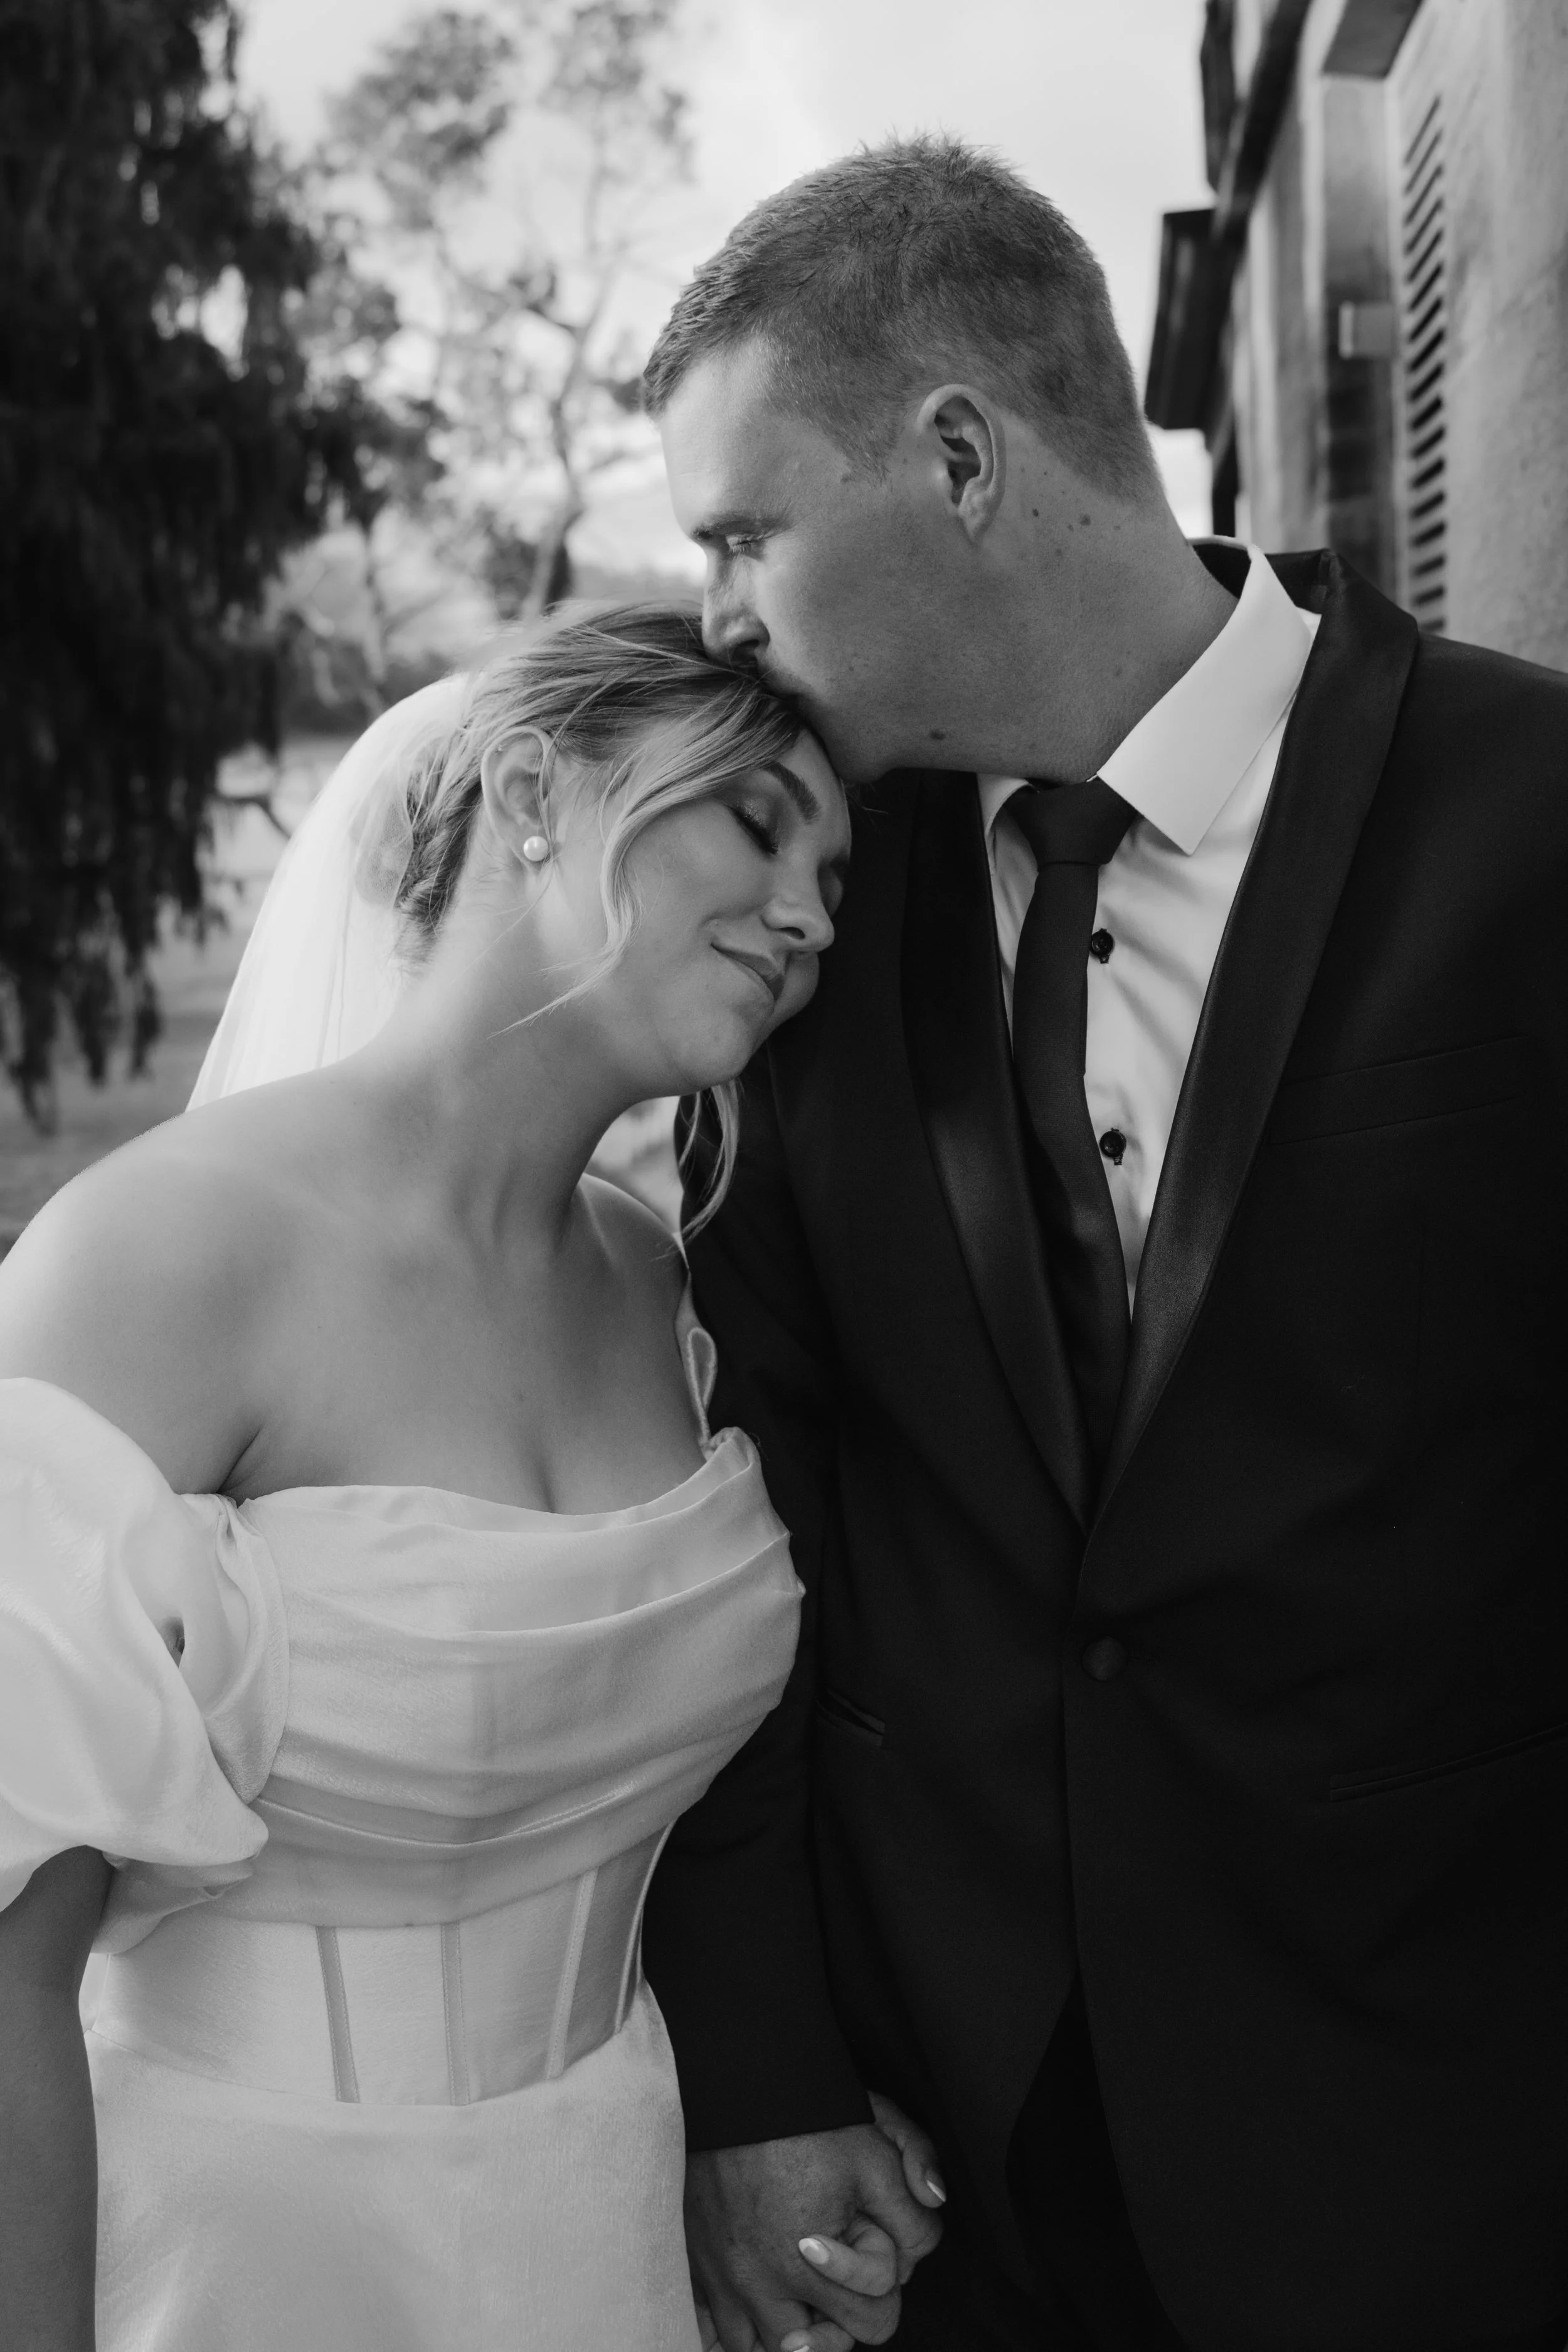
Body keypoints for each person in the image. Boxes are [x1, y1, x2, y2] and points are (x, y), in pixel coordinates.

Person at [638, 136, 1568, 2352]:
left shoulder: (1531, 826)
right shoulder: (798, 932)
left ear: (957, 457)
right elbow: (733, 1510)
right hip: (955, 2172)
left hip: (1452, 2118)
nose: (717, 614)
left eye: (744, 531)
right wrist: (760, 2079)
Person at [0, 603, 923, 2351]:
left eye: (837, 875)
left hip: (606, 2213)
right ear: (529, 787)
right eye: (751, 820)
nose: (805, 913)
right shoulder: (159, 1256)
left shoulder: (660, 1281)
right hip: (251, 2249)